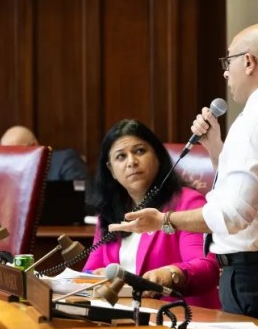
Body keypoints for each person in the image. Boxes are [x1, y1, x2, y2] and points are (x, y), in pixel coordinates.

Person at [109, 22, 258, 328]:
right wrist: (216, 147)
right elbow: (251, 195)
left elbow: (231, 215)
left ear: (248, 62)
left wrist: (165, 220)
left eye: (227, 61)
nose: (225, 72)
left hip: (254, 277)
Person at [82, 119, 221, 309]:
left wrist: (172, 274)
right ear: (111, 170)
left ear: (158, 156)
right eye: (121, 157)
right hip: (120, 319)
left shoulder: (188, 203)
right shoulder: (109, 214)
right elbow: (88, 271)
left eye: (139, 151)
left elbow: (207, 268)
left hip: (178, 319)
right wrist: (95, 277)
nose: (132, 162)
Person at [0, 125, 90, 182]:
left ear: (34, 146)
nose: (10, 160)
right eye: (5, 155)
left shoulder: (65, 161)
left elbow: (85, 200)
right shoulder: (2, 172)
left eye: (15, 153)